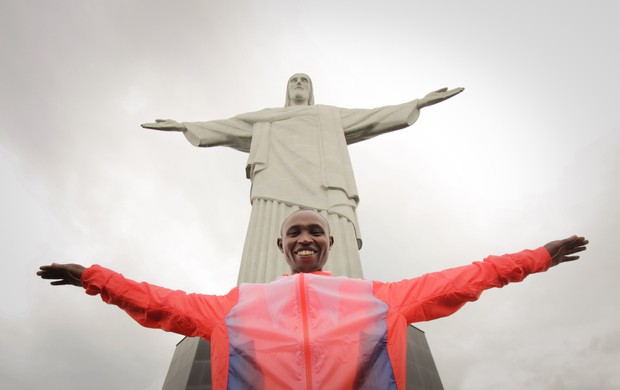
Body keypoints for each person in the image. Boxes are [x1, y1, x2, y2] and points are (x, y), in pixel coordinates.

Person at [38, 210, 588, 390]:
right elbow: (154, 301)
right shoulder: (234, 307)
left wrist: (538, 256)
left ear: (328, 243)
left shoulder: (379, 298)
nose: (305, 237)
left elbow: (471, 276)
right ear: (281, 244)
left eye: (315, 232)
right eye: (295, 232)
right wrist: (94, 276)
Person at [142, 74, 463, 283]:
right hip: (274, 188)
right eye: (294, 80)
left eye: (304, 81)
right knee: (267, 248)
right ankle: (259, 296)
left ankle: (342, 297)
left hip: (325, 189)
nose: (299, 84)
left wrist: (417, 103)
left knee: (334, 250)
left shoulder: (328, 115)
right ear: (286, 89)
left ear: (311, 90)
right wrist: (184, 125)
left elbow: (372, 118)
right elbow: (227, 126)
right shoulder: (267, 117)